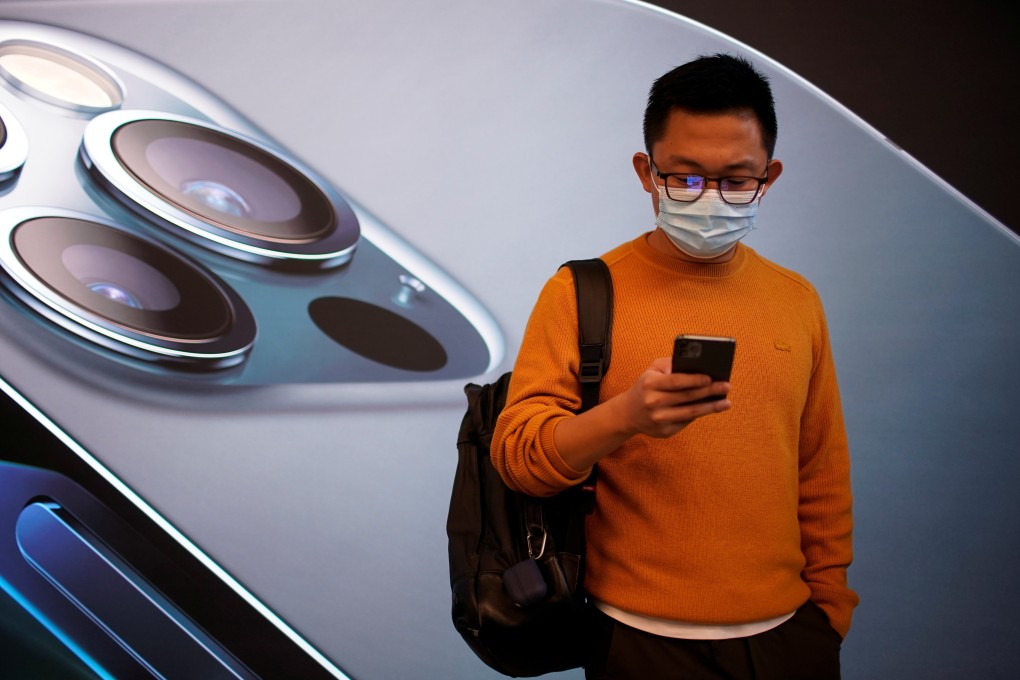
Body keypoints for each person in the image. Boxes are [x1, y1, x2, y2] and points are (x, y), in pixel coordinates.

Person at [491, 53, 858, 679]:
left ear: (769, 176)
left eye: (736, 180)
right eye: (684, 178)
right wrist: (626, 416)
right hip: (636, 640)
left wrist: (827, 616)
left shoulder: (797, 299)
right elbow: (518, 456)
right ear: (645, 171)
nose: (709, 198)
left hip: (790, 639)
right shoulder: (582, 291)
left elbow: (819, 470)